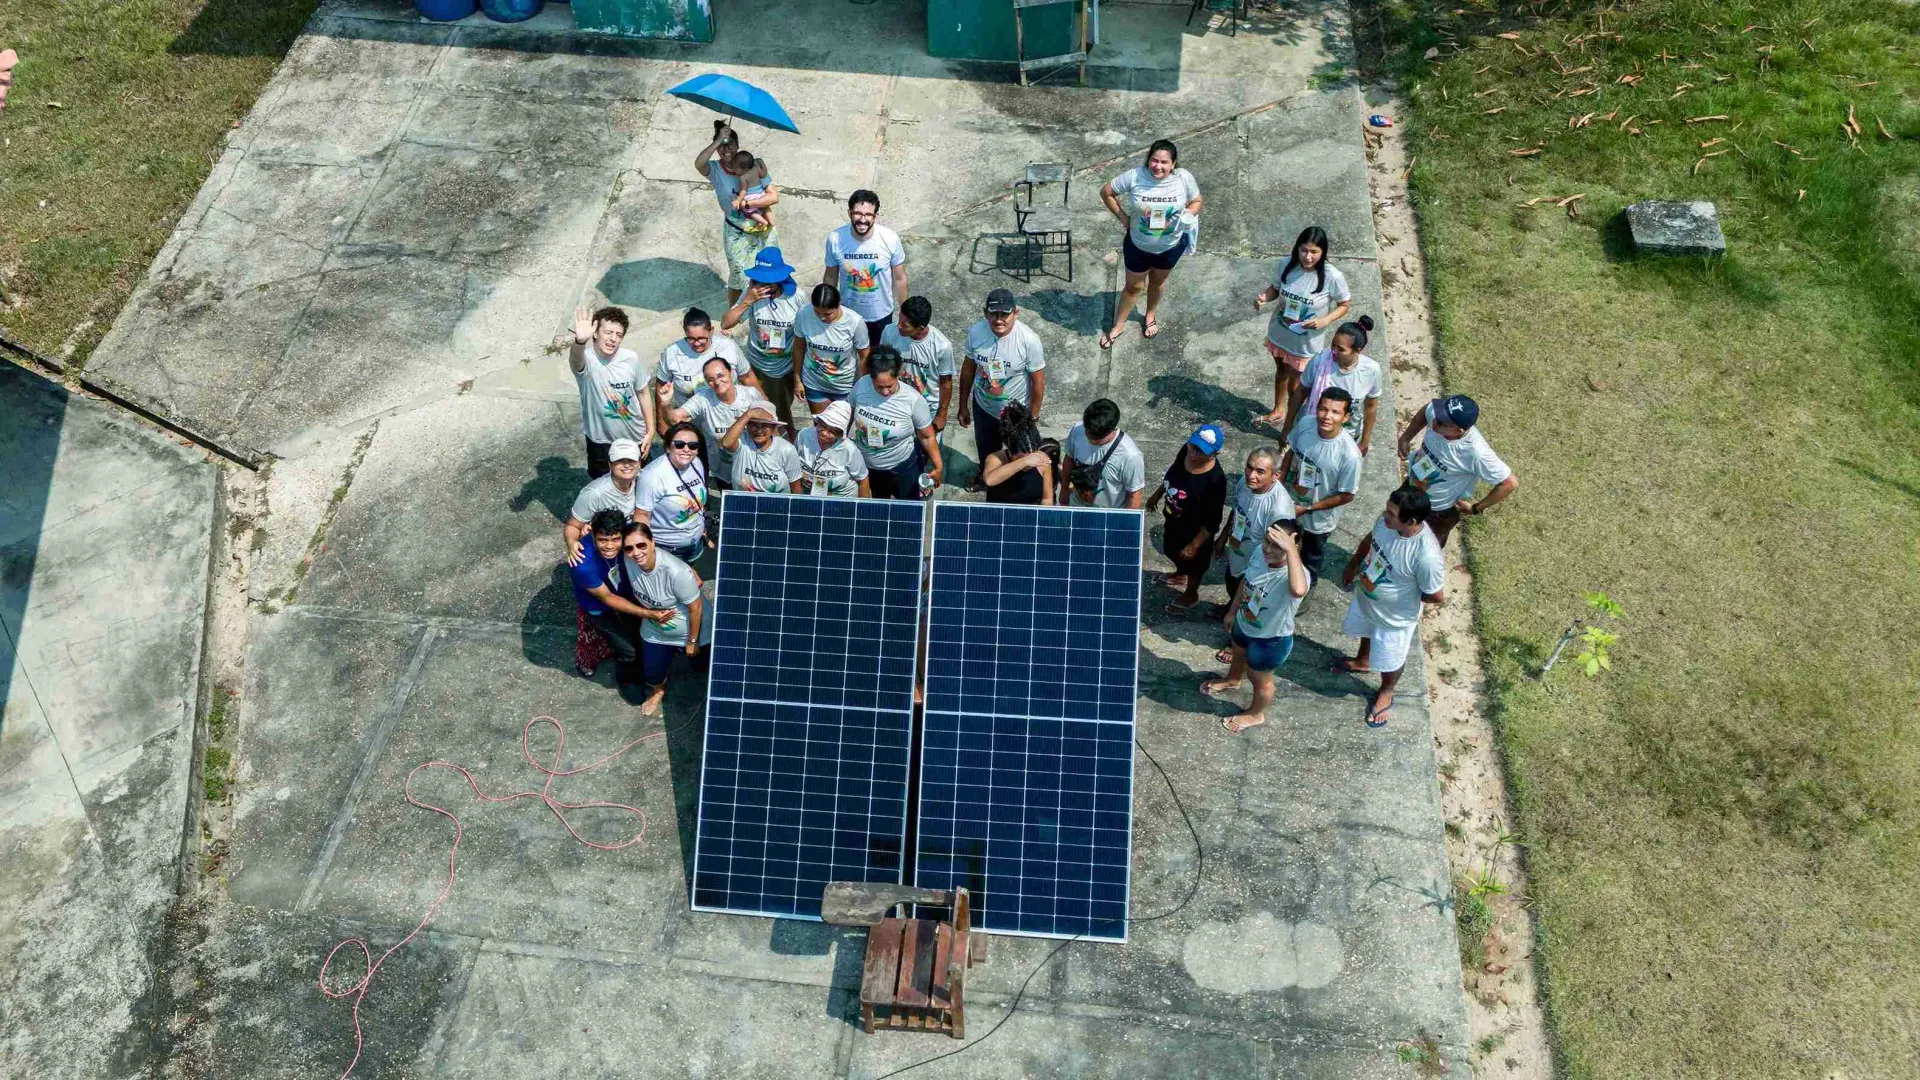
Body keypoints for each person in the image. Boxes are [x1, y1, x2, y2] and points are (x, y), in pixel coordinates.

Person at [1336, 485, 1447, 729]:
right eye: (1387, 509)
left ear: (1412, 521)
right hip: (1366, 597)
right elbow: (1370, 539)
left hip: (1395, 617)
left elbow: (1435, 595)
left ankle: (1387, 691)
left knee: (1391, 657)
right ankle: (1363, 660)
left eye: (1391, 514)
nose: (1384, 515)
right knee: (1365, 629)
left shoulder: (1426, 556)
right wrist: (1353, 565)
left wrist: (1398, 598)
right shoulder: (1385, 523)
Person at [1202, 522, 1311, 733]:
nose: (1269, 550)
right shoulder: (1259, 555)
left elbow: (1298, 590)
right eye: (1267, 542)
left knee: (1259, 678)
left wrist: (1290, 550)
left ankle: (1255, 714)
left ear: (1293, 547)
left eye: (1277, 546)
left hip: (1270, 640)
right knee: (1238, 655)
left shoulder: (1297, 574)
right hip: (1244, 622)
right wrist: (1233, 610)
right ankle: (1232, 680)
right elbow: (1246, 581)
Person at [1099, 139, 1202, 349]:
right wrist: (1123, 218)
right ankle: (1119, 325)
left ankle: (1150, 316)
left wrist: (1188, 215)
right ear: (1148, 160)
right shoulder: (1135, 176)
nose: (1158, 166)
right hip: (1138, 246)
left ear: (1173, 164)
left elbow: (1197, 201)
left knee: (1157, 283)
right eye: (1154, 160)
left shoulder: (1184, 178)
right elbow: (1106, 192)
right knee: (1133, 287)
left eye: (1164, 162)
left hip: (1170, 247)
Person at [1256, 226, 1352, 426]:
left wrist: (1325, 320)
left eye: (1314, 252)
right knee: (1281, 372)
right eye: (1304, 250)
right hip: (1280, 333)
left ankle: (1293, 424)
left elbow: (1344, 305)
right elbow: (1275, 289)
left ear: (1323, 252)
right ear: (1297, 249)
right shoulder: (1285, 265)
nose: (1308, 257)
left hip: (1306, 343)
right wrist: (1264, 297)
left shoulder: (1332, 276)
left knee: (1297, 386)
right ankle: (1278, 410)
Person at [1396, 393, 1517, 547]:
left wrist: (1476, 508)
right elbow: (1427, 409)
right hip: (1411, 487)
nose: (1434, 421)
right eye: (1439, 413)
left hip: (1436, 512)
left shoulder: (1475, 452)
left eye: (1440, 422)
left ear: (1459, 431)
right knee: (1390, 527)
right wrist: (1406, 437)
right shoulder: (1436, 414)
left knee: (1418, 551)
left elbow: (1509, 483)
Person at [957, 288, 1046, 486]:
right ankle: (985, 476)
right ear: (985, 313)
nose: (999, 320)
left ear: (1015, 313)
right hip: (983, 407)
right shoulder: (975, 333)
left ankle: (1014, 483)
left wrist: (1032, 416)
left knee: (1019, 454)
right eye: (993, 314)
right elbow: (968, 369)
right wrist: (963, 405)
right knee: (986, 449)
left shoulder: (1029, 341)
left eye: (1005, 314)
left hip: (1015, 414)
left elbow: (1038, 381)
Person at [620, 521, 706, 717]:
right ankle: (659, 690)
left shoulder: (676, 573)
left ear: (653, 542)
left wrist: (692, 641)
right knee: (652, 672)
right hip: (655, 631)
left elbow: (696, 607)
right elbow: (607, 541)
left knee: (704, 666)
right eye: (629, 548)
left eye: (642, 545)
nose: (636, 552)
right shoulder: (628, 559)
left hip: (690, 630)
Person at [1281, 388, 1364, 583]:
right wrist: (1279, 484)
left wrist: (1308, 508)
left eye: (1335, 412)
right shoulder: (1306, 424)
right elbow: (1290, 452)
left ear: (1346, 417)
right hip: (1290, 504)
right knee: (1283, 548)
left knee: (1309, 559)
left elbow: (1347, 495)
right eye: (1323, 409)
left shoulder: (1349, 456)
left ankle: (1306, 590)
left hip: (1317, 520)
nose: (1327, 416)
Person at [695, 120, 779, 306]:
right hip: (735, 228)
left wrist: (748, 202)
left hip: (761, 226)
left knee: (769, 269)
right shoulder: (715, 169)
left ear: (738, 145)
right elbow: (699, 163)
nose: (726, 150)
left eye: (730, 144)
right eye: (721, 146)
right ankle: (734, 312)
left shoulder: (752, 165)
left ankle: (768, 308)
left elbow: (773, 197)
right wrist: (718, 140)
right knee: (738, 271)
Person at [1145, 424, 1228, 613]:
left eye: (1200, 451)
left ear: (1214, 454)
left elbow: (1212, 522)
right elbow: (1172, 475)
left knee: (1196, 566)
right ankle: (1180, 574)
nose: (1193, 453)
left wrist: (1194, 546)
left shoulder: (1215, 480)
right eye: (1193, 446)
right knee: (1172, 551)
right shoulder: (1185, 451)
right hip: (1173, 521)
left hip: (1195, 533)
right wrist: (1157, 495)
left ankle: (1191, 594)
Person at [564, 304, 651, 478]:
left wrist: (651, 431)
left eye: (619, 335)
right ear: (595, 332)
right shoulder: (586, 360)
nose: (613, 339)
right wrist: (580, 341)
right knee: (603, 489)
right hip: (600, 441)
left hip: (634, 436)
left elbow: (643, 393)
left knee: (642, 485)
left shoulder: (631, 359)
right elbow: (575, 360)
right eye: (608, 332)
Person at [722, 247, 803, 428]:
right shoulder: (752, 295)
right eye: (759, 280)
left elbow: (805, 334)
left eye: (768, 281)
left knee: (780, 409)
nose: (763, 285)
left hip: (783, 369)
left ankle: (788, 436)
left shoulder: (796, 298)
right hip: (756, 364)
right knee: (756, 407)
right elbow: (726, 323)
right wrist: (747, 302)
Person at [850, 347, 945, 499]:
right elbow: (850, 411)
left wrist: (938, 466)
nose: (885, 392)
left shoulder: (913, 400)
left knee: (908, 509)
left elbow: (927, 436)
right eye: (879, 387)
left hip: (901, 468)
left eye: (889, 386)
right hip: (867, 467)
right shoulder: (861, 385)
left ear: (899, 374)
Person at [663, 357, 771, 488]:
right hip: (722, 468)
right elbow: (675, 419)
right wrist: (666, 404)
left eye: (721, 375)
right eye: (710, 380)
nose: (717, 382)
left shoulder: (750, 394)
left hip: (752, 468)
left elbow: (769, 422)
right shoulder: (703, 399)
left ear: (731, 372)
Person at [1280, 315, 1382, 454]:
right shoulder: (1320, 360)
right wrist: (1287, 426)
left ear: (1358, 350)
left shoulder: (1371, 370)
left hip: (1347, 435)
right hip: (1311, 429)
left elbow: (1371, 406)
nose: (1333, 351)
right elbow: (1300, 393)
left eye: (1341, 349)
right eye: (1333, 345)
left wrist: (1365, 441)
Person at [1214, 447, 1294, 623]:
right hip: (1237, 552)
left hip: (1257, 564)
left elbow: (1278, 551)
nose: (1252, 475)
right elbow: (1237, 510)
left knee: (1246, 602)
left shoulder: (1279, 510)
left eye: (1260, 472)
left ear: (1275, 476)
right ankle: (1230, 608)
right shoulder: (1246, 482)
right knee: (1232, 585)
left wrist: (1257, 574)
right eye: (1249, 467)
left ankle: (1234, 636)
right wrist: (1222, 537)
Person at [568, 509, 644, 683]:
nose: (610, 546)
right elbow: (607, 598)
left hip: (626, 596)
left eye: (615, 539)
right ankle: (627, 681)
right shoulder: (581, 563)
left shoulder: (629, 542)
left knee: (637, 635)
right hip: (599, 607)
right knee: (628, 651)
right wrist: (648, 613)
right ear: (592, 535)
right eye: (603, 540)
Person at [824, 189, 908, 343]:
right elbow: (830, 276)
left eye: (868, 215)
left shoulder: (890, 239)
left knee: (877, 361)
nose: (863, 220)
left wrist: (905, 312)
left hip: (881, 316)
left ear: (875, 216)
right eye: (858, 213)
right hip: (847, 314)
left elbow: (900, 278)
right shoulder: (835, 239)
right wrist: (827, 307)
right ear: (849, 213)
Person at [633, 421, 710, 564]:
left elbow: (698, 499)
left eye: (693, 445)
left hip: (695, 543)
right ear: (668, 447)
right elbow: (642, 516)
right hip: (668, 549)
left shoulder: (697, 463)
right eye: (680, 444)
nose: (686, 449)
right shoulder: (652, 476)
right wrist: (645, 548)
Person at [879, 295, 956, 437]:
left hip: (927, 407)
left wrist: (942, 414)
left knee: (928, 449)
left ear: (920, 328)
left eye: (905, 325)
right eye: (899, 319)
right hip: (897, 401)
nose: (898, 326)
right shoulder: (889, 332)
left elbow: (946, 383)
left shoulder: (942, 346)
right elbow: (882, 366)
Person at [655, 307, 758, 411]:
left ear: (711, 331)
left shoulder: (728, 347)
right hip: (692, 419)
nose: (697, 343)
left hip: (729, 412)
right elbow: (661, 388)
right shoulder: (671, 354)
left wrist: (763, 403)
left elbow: (747, 377)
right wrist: (662, 424)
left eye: (701, 338)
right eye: (691, 339)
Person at [791, 282, 871, 413]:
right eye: (817, 312)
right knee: (821, 430)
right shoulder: (803, 314)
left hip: (844, 386)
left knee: (839, 430)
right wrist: (797, 380)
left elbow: (864, 355)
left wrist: (863, 387)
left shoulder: (855, 322)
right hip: (814, 383)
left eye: (828, 314)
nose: (822, 318)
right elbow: (798, 348)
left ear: (839, 304)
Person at [563, 438, 641, 567]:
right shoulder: (594, 493)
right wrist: (572, 543)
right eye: (620, 461)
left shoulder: (645, 480)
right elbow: (573, 526)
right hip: (609, 545)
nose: (627, 465)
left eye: (631, 460)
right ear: (610, 465)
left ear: (639, 463)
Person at [1061, 399, 1146, 509]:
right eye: (1087, 433)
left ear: (1113, 429)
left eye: (1097, 438)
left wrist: (1126, 522)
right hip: (1076, 505)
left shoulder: (1131, 456)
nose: (1090, 439)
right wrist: (1063, 491)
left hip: (1109, 514)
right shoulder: (1077, 430)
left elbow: (1134, 495)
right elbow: (1069, 459)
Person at [980, 402, 1059, 505]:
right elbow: (989, 480)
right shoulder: (994, 459)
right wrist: (1024, 462)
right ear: (1012, 450)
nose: (1032, 456)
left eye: (1033, 450)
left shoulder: (1042, 461)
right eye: (1025, 453)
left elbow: (1047, 499)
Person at [722, 405, 806, 493]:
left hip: (777, 503)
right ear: (747, 425)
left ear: (773, 428)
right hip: (742, 501)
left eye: (764, 426)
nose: (759, 431)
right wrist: (748, 414)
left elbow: (795, 486)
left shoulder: (787, 450)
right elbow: (726, 443)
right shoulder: (742, 440)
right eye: (754, 425)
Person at [796, 401, 871, 497]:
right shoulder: (803, 435)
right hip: (808, 494)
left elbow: (863, 481)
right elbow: (793, 464)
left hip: (842, 499)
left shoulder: (849, 449)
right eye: (822, 426)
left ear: (840, 434)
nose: (824, 433)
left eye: (833, 432)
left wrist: (862, 508)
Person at [729, 149, 775, 232]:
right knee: (765, 206)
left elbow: (744, 191)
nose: (733, 169)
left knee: (749, 213)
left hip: (751, 197)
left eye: (735, 167)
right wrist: (762, 163)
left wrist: (738, 201)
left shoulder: (743, 178)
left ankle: (763, 222)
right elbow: (764, 174)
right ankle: (772, 222)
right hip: (761, 194)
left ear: (743, 169)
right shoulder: (756, 168)